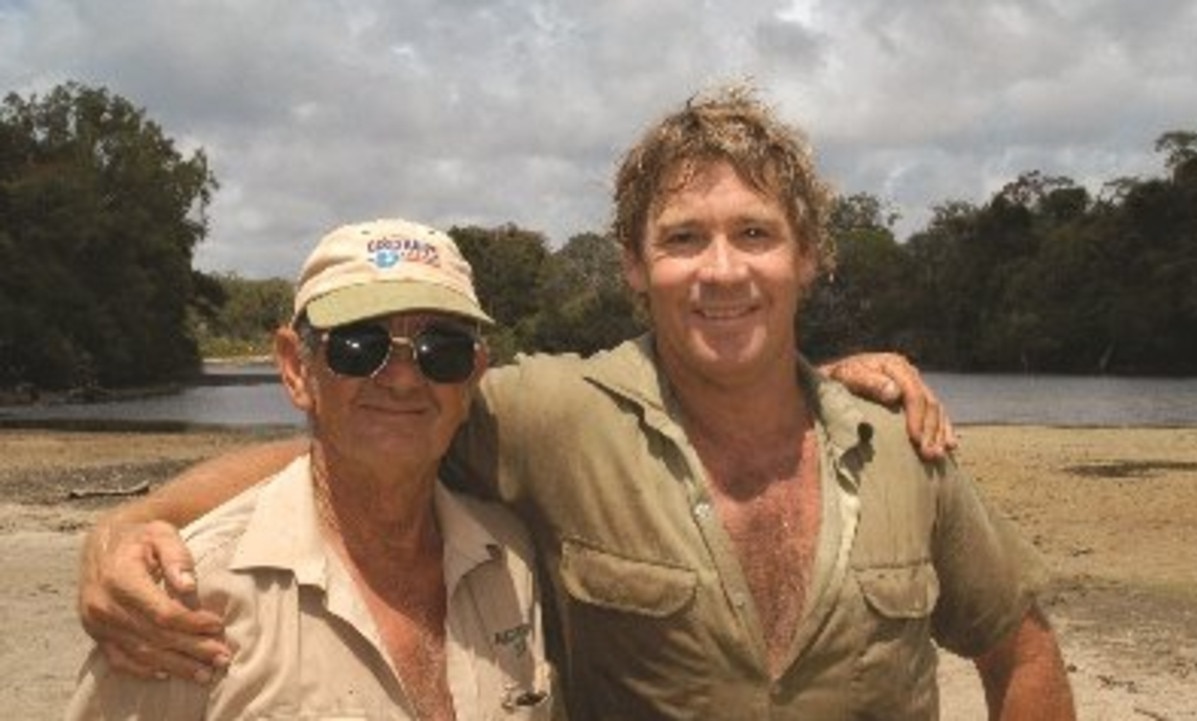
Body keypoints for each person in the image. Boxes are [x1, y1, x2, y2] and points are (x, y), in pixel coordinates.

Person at [78, 86, 1072, 719]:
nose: (719, 271)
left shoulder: (897, 438)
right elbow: (373, 438)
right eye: (682, 238)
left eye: (754, 234)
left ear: (809, 256)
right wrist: (143, 519)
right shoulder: (558, 415)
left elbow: (1016, 646)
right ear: (635, 269)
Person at [67, 219, 555, 719]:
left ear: (472, 377)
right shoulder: (186, 599)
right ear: (296, 369)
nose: (405, 378)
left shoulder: (511, 561)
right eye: (360, 346)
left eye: (442, 350)